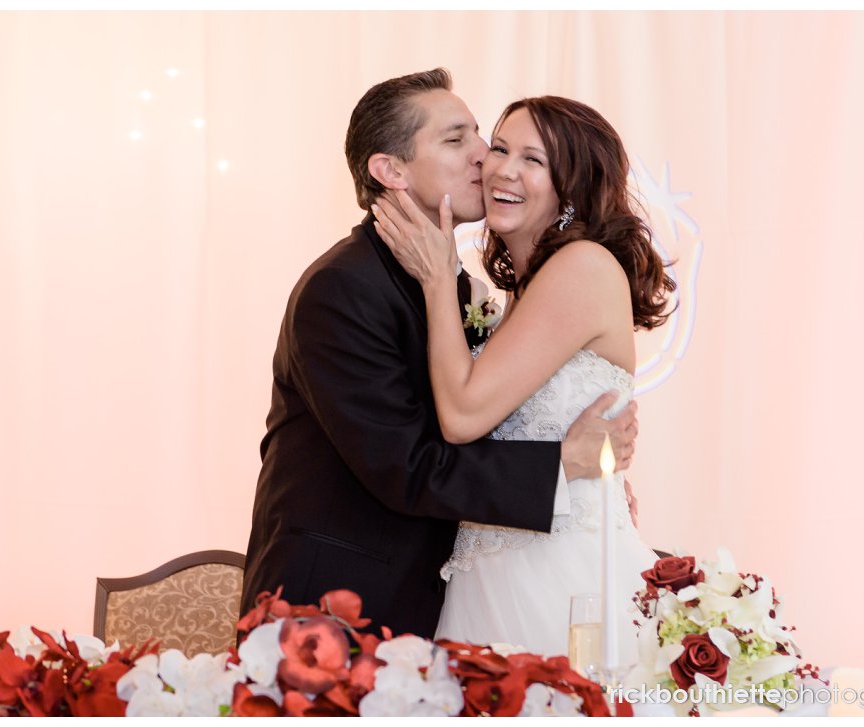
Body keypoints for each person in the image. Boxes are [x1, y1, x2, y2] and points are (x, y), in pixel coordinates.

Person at [239, 69, 640, 641]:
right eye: (462, 141)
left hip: (475, 590)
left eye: (485, 137)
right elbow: (409, 465)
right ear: (391, 171)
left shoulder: (465, 287)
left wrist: (592, 486)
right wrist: (565, 465)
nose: (485, 159)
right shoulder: (343, 288)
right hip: (332, 610)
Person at [372, 95, 675, 663]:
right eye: (502, 148)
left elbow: (461, 417)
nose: (503, 169)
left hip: (557, 579)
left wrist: (437, 278)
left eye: (535, 160)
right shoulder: (521, 292)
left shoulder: (581, 266)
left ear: (573, 187)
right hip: (490, 567)